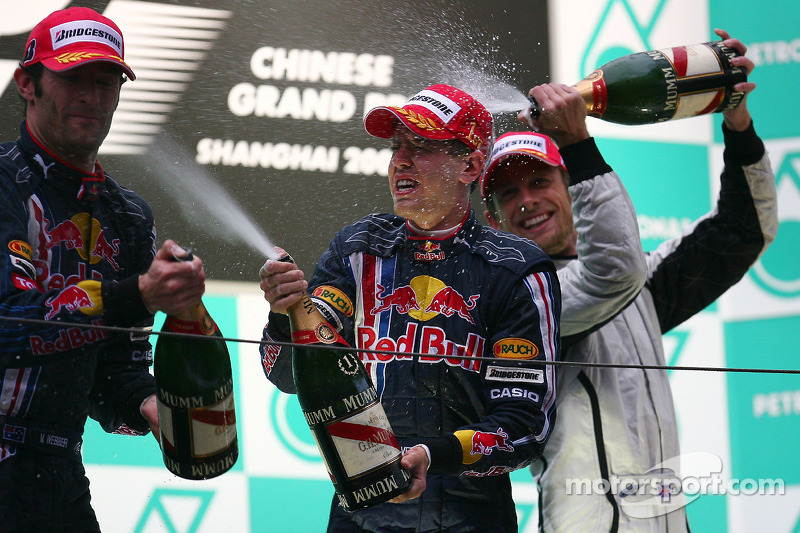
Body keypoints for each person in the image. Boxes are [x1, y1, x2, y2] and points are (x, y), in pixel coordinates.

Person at [480, 30, 776, 532]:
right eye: (507, 194)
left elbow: (745, 229)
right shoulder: (520, 304)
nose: (526, 200)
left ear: (571, 189)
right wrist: (577, 144)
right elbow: (613, 271)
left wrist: (735, 119)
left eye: (539, 181)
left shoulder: (645, 286)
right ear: (495, 222)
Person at [259, 83, 561, 532]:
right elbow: (285, 375)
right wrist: (284, 317)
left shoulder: (516, 269)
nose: (400, 159)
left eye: (421, 146)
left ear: (470, 165)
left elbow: (524, 425)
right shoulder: (358, 248)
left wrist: (431, 456)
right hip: (360, 512)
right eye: (397, 145)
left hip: (471, 516)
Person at [0, 7, 207, 531]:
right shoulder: (3, 183)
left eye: (106, 80)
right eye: (73, 79)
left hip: (58, 471)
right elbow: (10, 326)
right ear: (27, 83)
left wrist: (155, 409)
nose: (91, 96)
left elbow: (115, 368)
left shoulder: (129, 216)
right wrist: (136, 293)